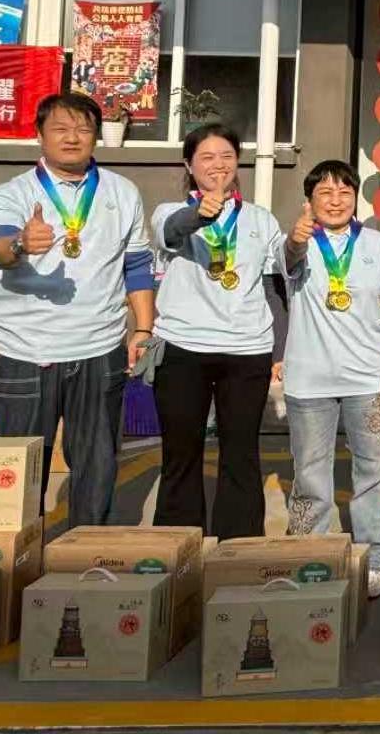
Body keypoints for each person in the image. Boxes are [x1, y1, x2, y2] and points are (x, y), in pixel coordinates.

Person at [0, 93, 154, 527]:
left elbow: (136, 265)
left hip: (99, 349)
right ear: (39, 135)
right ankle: (19, 554)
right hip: (25, 351)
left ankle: (84, 554)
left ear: (96, 136)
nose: (72, 138)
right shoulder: (14, 192)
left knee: (97, 465)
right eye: (60, 128)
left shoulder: (122, 192)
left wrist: (143, 329)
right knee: (19, 469)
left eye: (83, 129)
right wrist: (20, 243)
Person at [280, 160, 380, 599]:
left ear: (356, 198)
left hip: (368, 380)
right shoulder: (298, 242)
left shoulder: (379, 245)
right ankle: (310, 554)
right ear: (309, 201)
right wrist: (296, 240)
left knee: (373, 470)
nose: (335, 201)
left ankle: (374, 559)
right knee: (310, 472)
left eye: (344, 192)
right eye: (325, 193)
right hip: (308, 381)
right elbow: (288, 260)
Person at [150, 123, 288, 539]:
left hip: (247, 351)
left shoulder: (260, 219)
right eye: (207, 157)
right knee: (181, 453)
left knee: (241, 454)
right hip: (182, 348)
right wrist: (199, 213)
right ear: (188, 165)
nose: (218, 165)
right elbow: (173, 232)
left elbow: (274, 286)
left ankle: (237, 548)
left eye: (227, 156)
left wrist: (279, 351)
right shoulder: (168, 212)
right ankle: (179, 548)